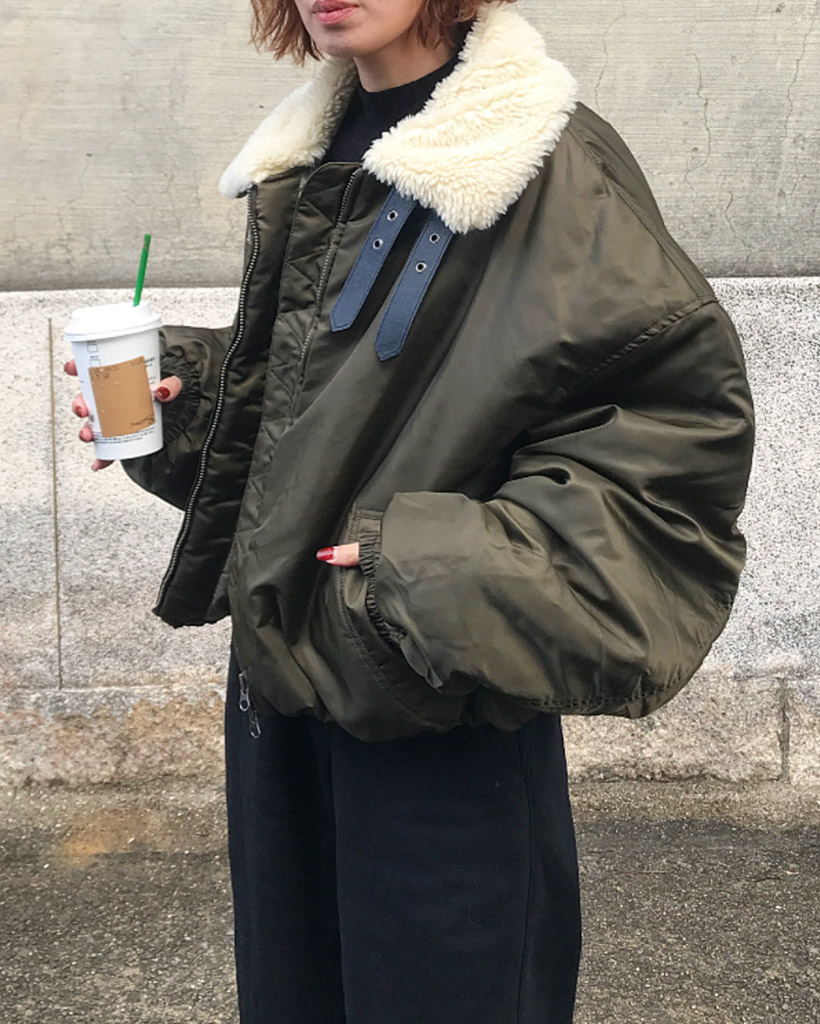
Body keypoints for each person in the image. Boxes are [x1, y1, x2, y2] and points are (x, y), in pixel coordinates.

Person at [64, 0, 755, 1020]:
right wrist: (195, 397)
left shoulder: (544, 159)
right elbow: (345, 402)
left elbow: (669, 445)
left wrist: (425, 576)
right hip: (282, 702)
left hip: (439, 702)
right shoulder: (314, 147)